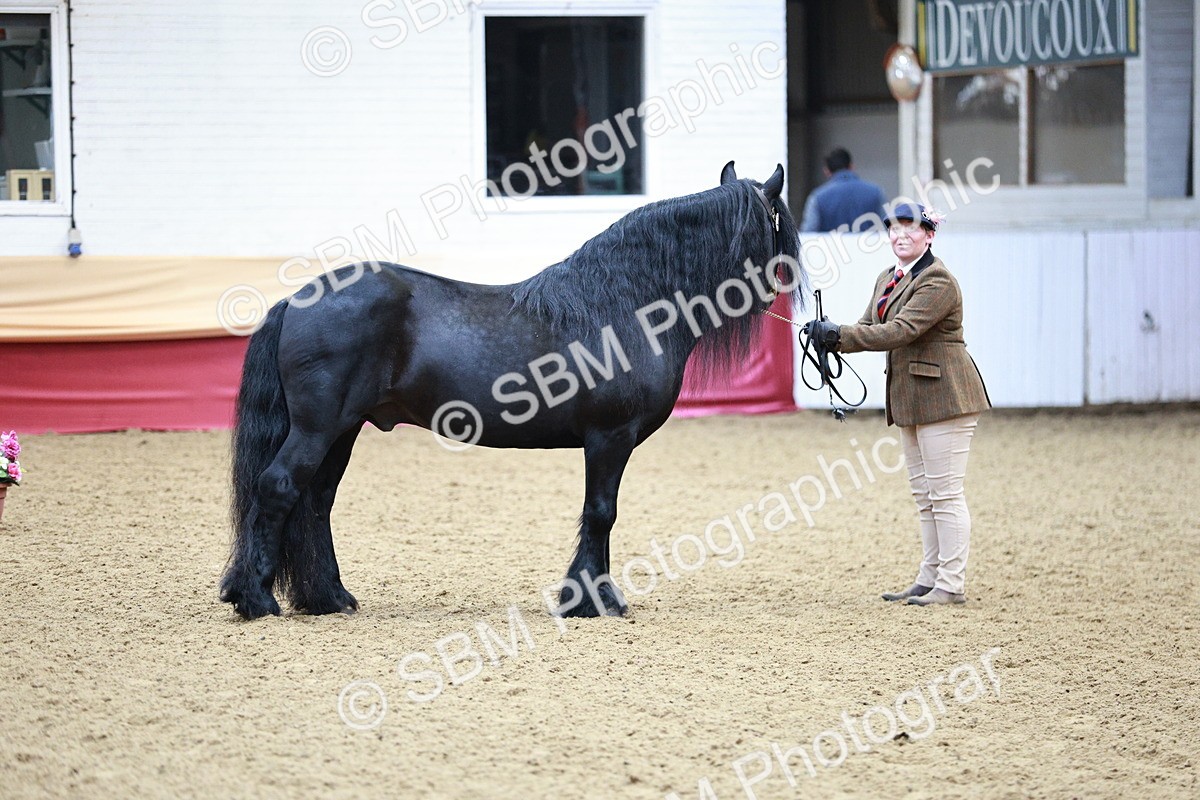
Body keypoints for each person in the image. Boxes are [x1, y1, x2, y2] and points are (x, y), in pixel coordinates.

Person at [806, 203, 990, 606]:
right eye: (894, 228)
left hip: (946, 396)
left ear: (929, 235)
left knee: (945, 494)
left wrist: (839, 336)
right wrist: (830, 335)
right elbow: (869, 326)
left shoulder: (937, 280)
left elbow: (901, 331)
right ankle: (929, 577)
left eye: (910, 227)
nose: (900, 234)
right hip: (912, 398)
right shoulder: (887, 277)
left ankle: (951, 584)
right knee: (925, 495)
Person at [799, 148, 888, 233]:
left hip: (832, 244)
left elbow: (808, 233)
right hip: (867, 243)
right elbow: (888, 227)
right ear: (851, 166)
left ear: (826, 171)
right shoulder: (876, 192)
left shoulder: (818, 197)